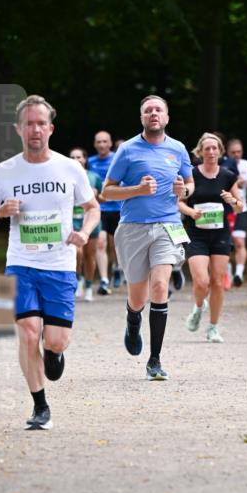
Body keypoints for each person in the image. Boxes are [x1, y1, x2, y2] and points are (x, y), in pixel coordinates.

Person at [0, 95, 100, 430]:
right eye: (29, 123)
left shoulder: (69, 168)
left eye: (41, 123)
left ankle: (55, 351)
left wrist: (85, 233)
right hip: (21, 265)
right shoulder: (5, 171)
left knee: (55, 340)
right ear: (18, 129)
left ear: (50, 128)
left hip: (59, 266)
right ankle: (40, 406)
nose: (35, 129)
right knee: (28, 333)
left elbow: (92, 208)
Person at [101, 95, 194, 380]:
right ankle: (133, 319)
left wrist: (185, 191)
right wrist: (137, 190)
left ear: (166, 117)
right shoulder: (128, 150)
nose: (153, 113)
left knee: (159, 285)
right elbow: (107, 191)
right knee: (138, 295)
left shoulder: (178, 149)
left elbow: (189, 183)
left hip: (167, 225)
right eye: (148, 110)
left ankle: (154, 360)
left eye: (158, 110)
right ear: (142, 118)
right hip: (133, 229)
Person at [180, 133, 243, 342]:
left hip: (220, 234)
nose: (211, 152)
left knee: (217, 281)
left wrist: (231, 199)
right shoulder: (191, 175)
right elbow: (178, 202)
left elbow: (240, 206)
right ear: (200, 152)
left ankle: (213, 327)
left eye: (215, 148)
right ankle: (199, 308)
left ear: (220, 151)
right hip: (196, 233)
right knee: (201, 281)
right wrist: (190, 213)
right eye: (207, 148)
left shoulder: (227, 175)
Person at [88, 130, 120, 292]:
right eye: (98, 142)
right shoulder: (90, 162)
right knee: (101, 243)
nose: (101, 145)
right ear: (95, 144)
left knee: (115, 245)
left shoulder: (117, 158)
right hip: (99, 209)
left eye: (104, 141)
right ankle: (104, 280)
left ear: (110, 143)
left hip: (118, 207)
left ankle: (116, 267)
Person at [69, 147, 102, 302]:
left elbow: (104, 198)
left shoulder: (94, 177)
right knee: (77, 253)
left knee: (90, 256)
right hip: (72, 221)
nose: (76, 160)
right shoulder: (64, 177)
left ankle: (89, 286)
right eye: (73, 157)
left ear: (85, 159)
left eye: (79, 157)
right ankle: (78, 279)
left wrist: (97, 195)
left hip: (91, 220)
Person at [226, 138, 247, 287]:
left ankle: (239, 273)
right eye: (233, 152)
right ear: (227, 152)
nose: (236, 155)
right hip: (225, 210)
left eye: (239, 152)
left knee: (239, 242)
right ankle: (225, 273)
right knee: (224, 244)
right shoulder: (223, 165)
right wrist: (237, 182)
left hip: (241, 209)